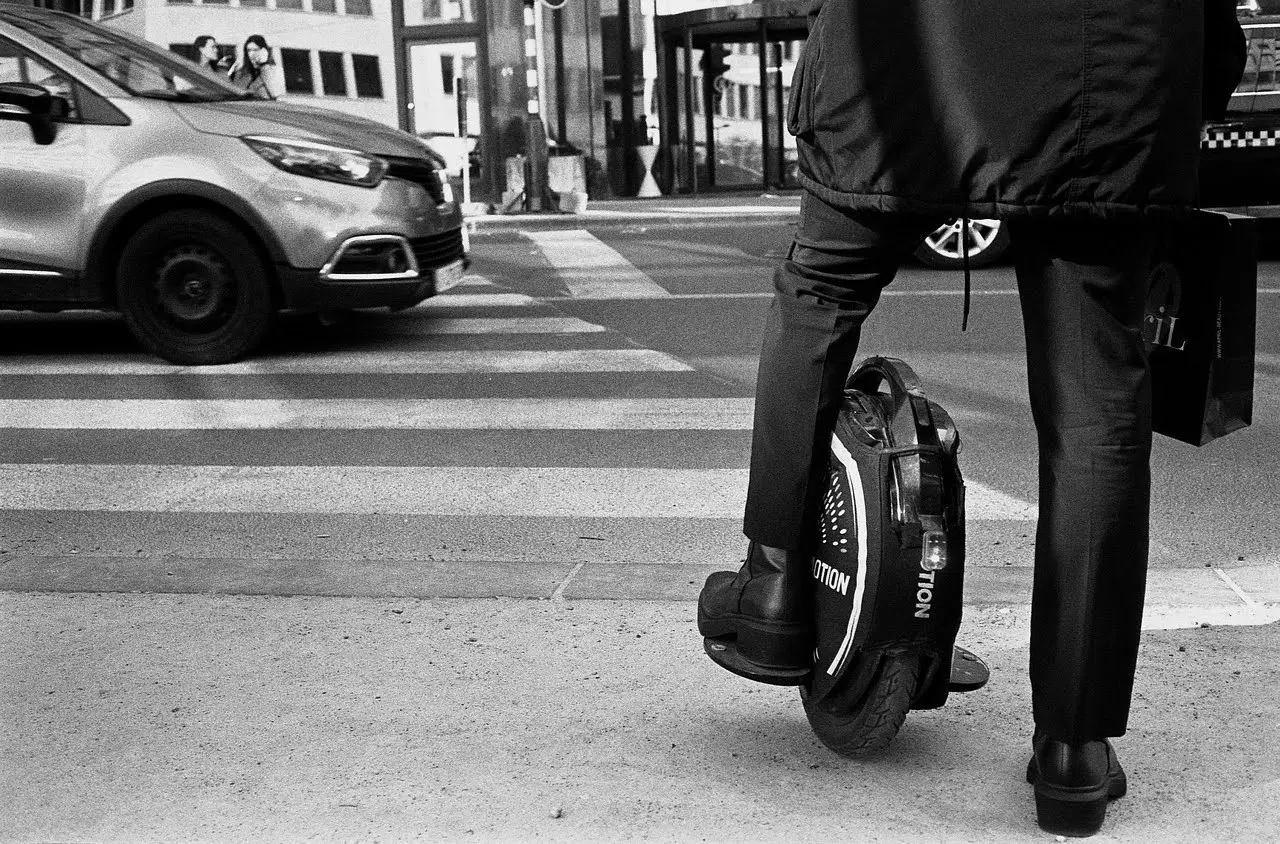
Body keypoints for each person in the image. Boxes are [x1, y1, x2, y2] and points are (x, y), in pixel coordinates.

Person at [697, 0, 1246, 837]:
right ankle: (1073, 746)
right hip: (1102, 82)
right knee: (1097, 411)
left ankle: (774, 591)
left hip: (898, 58)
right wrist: (1197, 73)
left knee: (820, 293)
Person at [227, 34, 276, 100]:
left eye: (255, 50)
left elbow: (275, 94)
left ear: (264, 51)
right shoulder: (242, 73)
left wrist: (264, 64)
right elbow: (235, 93)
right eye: (249, 50)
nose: (251, 54)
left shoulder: (271, 71)